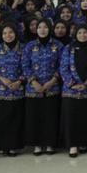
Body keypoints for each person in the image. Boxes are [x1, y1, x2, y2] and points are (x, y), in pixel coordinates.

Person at [60, 24, 87, 158]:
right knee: (71, 118)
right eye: (79, 33)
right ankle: (73, 145)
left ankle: (84, 143)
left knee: (86, 117)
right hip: (71, 90)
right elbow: (63, 67)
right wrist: (72, 83)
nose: (82, 35)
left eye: (85, 32)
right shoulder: (69, 48)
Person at [0, 23, 24, 160]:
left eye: (11, 32)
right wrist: (1, 79)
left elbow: (27, 69)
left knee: (13, 120)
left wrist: (19, 81)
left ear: (16, 33)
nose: (8, 35)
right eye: (5, 33)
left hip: (17, 90)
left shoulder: (23, 49)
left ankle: (10, 147)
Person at [23, 20, 63, 156]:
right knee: (34, 117)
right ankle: (37, 145)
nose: (42, 29)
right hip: (33, 89)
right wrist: (34, 82)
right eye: (39, 27)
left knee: (50, 116)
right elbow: (25, 65)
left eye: (45, 27)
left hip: (52, 87)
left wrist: (52, 81)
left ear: (50, 28)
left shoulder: (58, 45)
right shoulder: (30, 46)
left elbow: (62, 65)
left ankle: (50, 144)